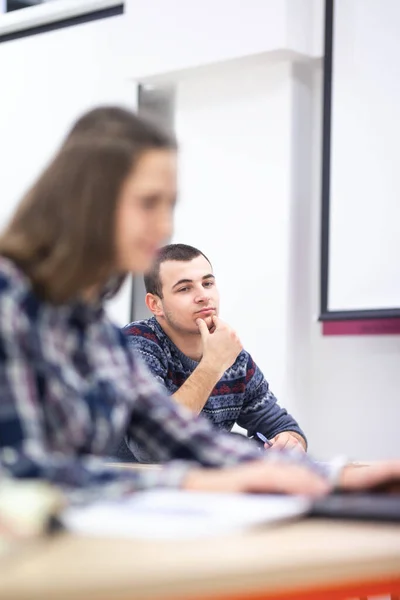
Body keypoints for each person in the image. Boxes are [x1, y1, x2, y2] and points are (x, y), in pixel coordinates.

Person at [0, 106, 398, 501]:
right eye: (148, 203)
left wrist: (331, 476)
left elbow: (181, 437)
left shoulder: (92, 330)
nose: (164, 226)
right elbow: (22, 477)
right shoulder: (10, 301)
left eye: (169, 205)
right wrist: (194, 482)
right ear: (90, 202)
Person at [122, 243, 306, 464]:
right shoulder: (136, 343)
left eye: (207, 283)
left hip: (198, 490)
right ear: (155, 305)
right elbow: (151, 449)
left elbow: (284, 427)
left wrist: (289, 442)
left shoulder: (233, 357)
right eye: (184, 289)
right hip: (125, 490)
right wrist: (212, 365)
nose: (203, 296)